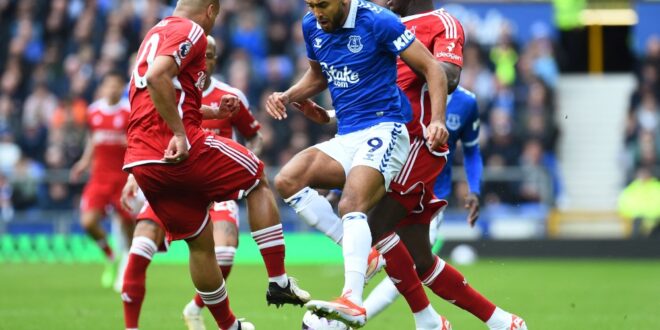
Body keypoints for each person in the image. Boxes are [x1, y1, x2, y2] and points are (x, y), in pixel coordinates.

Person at [293, 0, 526, 328]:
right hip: (382, 138)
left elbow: (449, 75)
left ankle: (340, 319)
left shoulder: (439, 23)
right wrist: (331, 114)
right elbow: (374, 92)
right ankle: (502, 322)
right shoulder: (378, 22)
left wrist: (404, 49)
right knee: (420, 260)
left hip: (417, 143)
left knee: (366, 223)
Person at [122, 2, 308, 329]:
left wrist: (212, 113)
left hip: (143, 159)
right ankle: (278, 280)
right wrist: (180, 133)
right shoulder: (191, 30)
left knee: (200, 244)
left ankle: (228, 326)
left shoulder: (154, 33)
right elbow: (156, 78)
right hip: (179, 147)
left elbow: (158, 94)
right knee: (256, 177)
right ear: (210, 10)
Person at [265, 0, 451, 328]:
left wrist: (437, 120)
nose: (316, 12)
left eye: (322, 4)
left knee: (351, 203)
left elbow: (433, 68)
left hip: (386, 128)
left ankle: (352, 298)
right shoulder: (311, 25)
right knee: (287, 180)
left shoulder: (379, 21)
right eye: (310, 5)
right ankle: (364, 253)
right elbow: (318, 75)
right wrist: (288, 95)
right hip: (347, 134)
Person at [70, 70, 134, 290]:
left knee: (128, 225)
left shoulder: (129, 111)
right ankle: (110, 255)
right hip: (99, 177)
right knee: (88, 222)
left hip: (123, 178)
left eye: (116, 85)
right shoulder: (93, 111)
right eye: (108, 85)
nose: (112, 89)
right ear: (103, 87)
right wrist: (84, 162)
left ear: (121, 87)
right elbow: (92, 140)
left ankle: (127, 264)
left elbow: (137, 141)